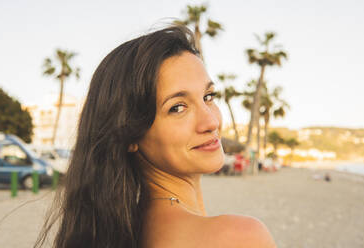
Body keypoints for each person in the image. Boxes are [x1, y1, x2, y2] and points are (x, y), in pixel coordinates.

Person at [35, 25, 276, 248]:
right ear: (130, 135)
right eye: (177, 107)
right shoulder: (240, 237)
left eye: (208, 96)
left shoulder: (113, 232)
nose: (211, 122)